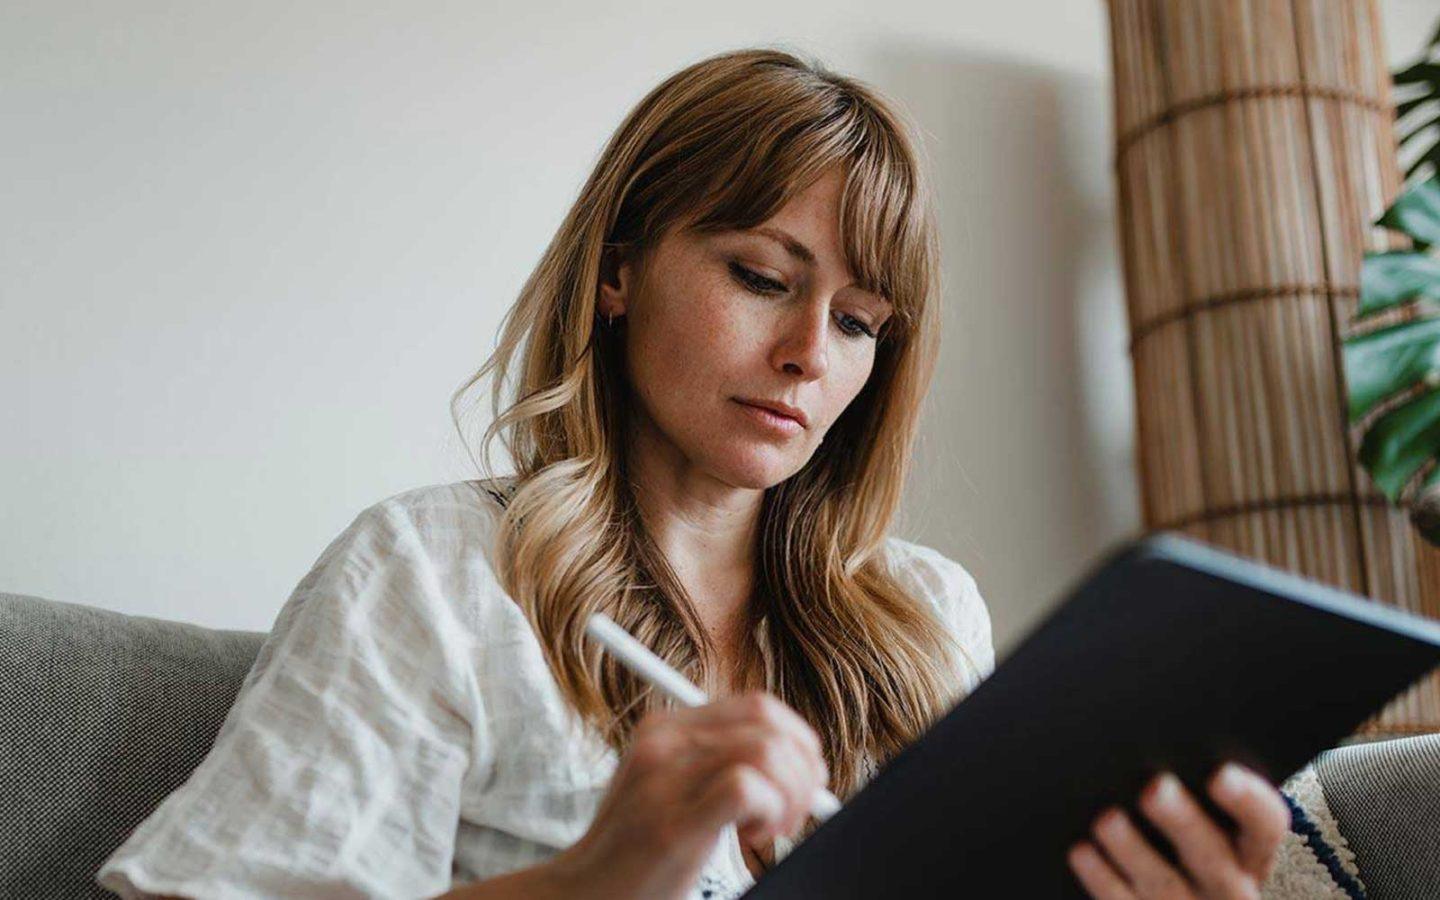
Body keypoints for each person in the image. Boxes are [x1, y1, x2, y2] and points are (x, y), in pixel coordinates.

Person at [94, 46, 1290, 900]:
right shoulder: (436, 574)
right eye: (763, 278)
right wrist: (600, 877)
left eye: (863, 323)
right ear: (619, 271)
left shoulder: (929, 619)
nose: (808, 356)